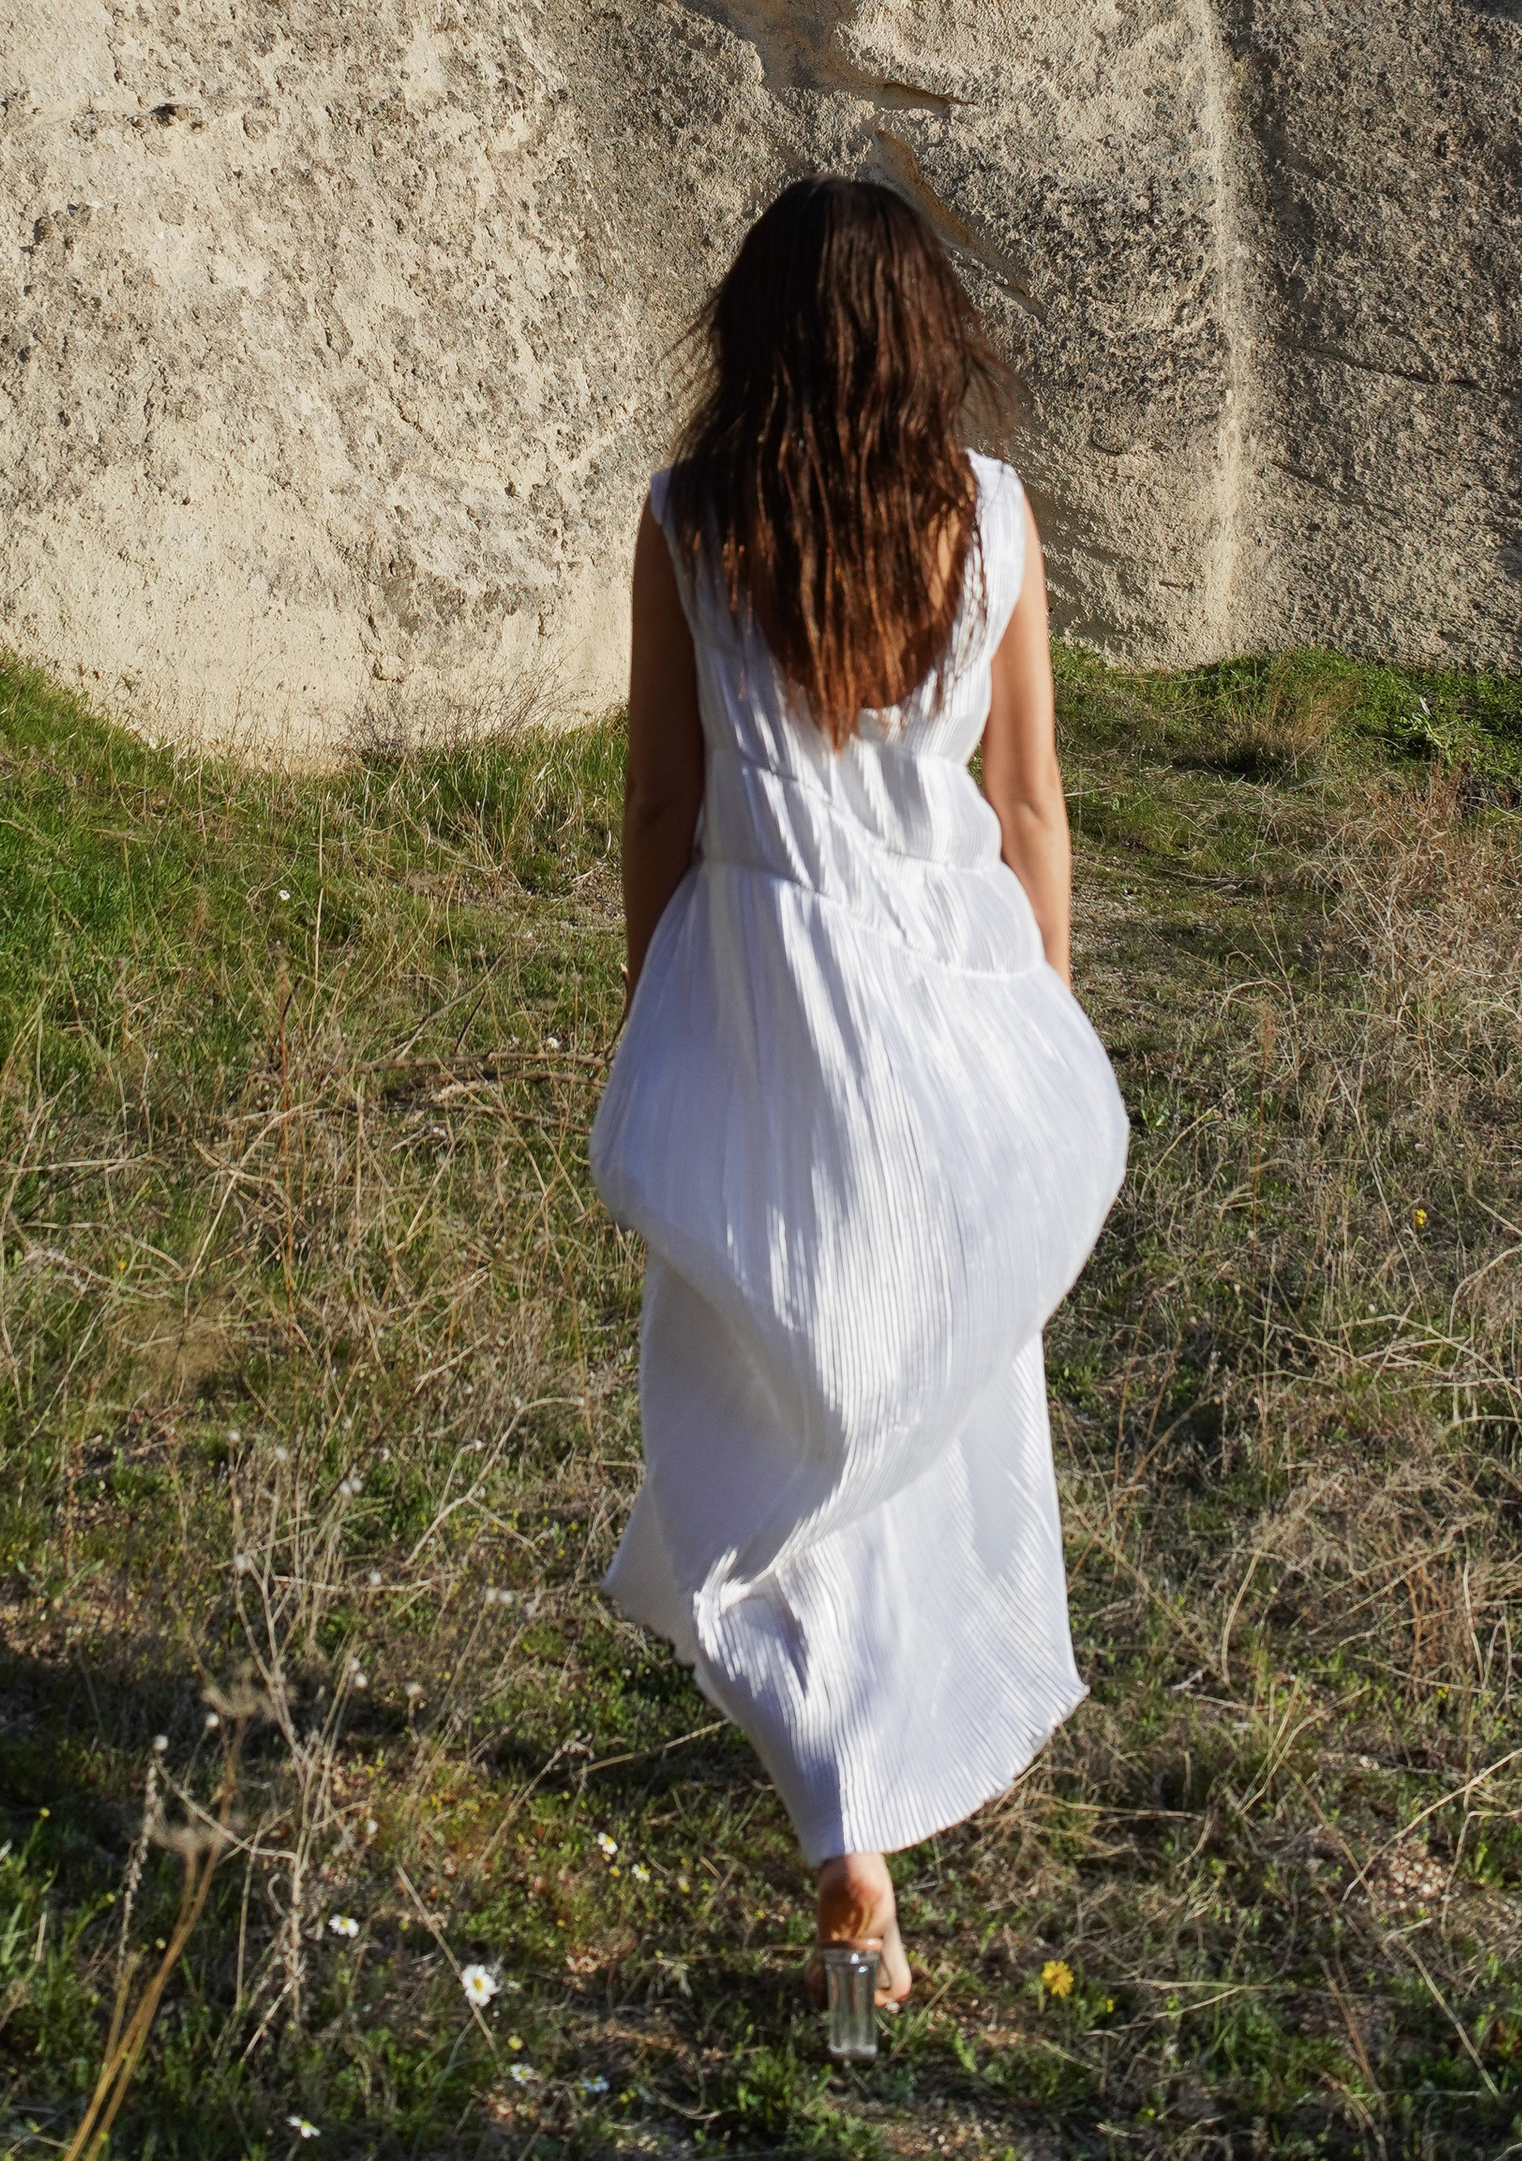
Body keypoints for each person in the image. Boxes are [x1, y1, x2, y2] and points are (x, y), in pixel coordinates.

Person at [589, 175, 1128, 2009]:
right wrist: (1033, 1037)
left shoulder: (689, 523)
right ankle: (861, 1793)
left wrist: (668, 1009)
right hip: (957, 995)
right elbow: (1037, 810)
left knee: (762, 1401)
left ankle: (841, 1824)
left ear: (752, 338)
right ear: (929, 342)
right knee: (918, 1413)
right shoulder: (990, 519)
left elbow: (665, 814)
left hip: (768, 993)